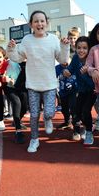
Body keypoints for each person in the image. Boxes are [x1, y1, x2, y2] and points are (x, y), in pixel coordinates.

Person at [7, 10, 70, 153]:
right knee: (34, 115)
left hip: (49, 84)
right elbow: (17, 58)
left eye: (42, 21)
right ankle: (34, 139)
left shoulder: (54, 39)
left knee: (49, 113)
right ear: (31, 24)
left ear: (47, 23)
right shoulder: (27, 40)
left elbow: (63, 60)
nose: (39, 24)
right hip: (33, 84)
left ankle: (48, 119)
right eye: (36, 21)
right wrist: (11, 49)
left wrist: (65, 47)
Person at [64, 36, 96, 145]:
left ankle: (89, 133)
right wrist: (67, 71)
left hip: (92, 90)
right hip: (81, 90)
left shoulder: (92, 60)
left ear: (89, 49)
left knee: (86, 110)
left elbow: (94, 81)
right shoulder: (75, 58)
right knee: (77, 111)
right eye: (79, 47)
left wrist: (86, 74)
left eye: (84, 48)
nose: (81, 50)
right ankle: (86, 126)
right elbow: (71, 69)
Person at [55, 61, 77, 129]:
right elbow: (54, 78)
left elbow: (77, 77)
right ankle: (67, 122)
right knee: (64, 109)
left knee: (73, 108)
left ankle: (76, 127)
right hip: (62, 92)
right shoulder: (57, 68)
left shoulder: (73, 66)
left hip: (73, 91)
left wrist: (73, 84)